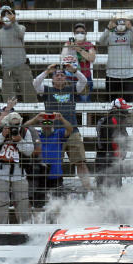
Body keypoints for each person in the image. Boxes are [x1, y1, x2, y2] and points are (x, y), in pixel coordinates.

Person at [32, 62, 94, 190]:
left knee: (80, 162)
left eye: (62, 75)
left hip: (72, 131)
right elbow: (35, 84)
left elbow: (84, 81)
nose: (59, 77)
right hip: (52, 133)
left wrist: (74, 70)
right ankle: (52, 193)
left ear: (65, 78)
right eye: (56, 75)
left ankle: (89, 191)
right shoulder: (47, 90)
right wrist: (47, 71)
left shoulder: (71, 89)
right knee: (53, 163)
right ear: (52, 79)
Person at [0, 111, 34, 224]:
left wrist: (20, 140)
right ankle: (2, 227)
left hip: (20, 172)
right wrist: (2, 135)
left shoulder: (25, 132)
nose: (14, 127)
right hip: (1, 172)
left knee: (23, 202)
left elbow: (30, 150)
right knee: (1, 202)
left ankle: (25, 227)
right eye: (12, 125)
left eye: (17, 125)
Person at [24, 111, 73, 207]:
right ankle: (39, 221)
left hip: (55, 175)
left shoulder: (58, 133)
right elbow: (22, 128)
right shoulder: (36, 134)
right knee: (37, 204)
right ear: (40, 124)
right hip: (39, 176)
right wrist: (36, 118)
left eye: (49, 123)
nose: (47, 125)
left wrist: (61, 118)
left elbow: (70, 129)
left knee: (57, 204)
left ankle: (56, 222)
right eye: (44, 123)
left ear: (53, 124)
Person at [0, 6, 37, 103]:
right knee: (9, 101)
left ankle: (34, 117)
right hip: (7, 70)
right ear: (0, 18)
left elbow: (20, 34)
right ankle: (10, 118)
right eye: (4, 15)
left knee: (30, 97)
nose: (7, 17)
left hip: (22, 67)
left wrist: (14, 21)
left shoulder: (20, 27)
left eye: (9, 14)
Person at [98, 14, 133, 103]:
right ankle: (111, 117)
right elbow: (101, 41)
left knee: (129, 103)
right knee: (111, 103)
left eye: (123, 23)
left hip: (128, 75)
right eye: (119, 23)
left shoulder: (130, 34)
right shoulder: (110, 33)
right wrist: (108, 28)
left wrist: (131, 28)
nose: (121, 25)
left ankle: (127, 117)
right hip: (112, 74)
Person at [95, 97, 132, 188]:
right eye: (123, 109)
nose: (125, 112)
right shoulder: (111, 122)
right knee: (107, 187)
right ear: (116, 109)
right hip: (107, 160)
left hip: (112, 160)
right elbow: (113, 143)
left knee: (113, 187)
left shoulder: (117, 121)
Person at [62, 23, 96, 101]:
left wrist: (79, 49)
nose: (79, 34)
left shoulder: (89, 45)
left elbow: (92, 58)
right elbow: (63, 58)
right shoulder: (68, 43)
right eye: (77, 32)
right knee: (69, 102)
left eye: (82, 32)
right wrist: (70, 49)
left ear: (85, 33)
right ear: (74, 33)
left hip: (85, 77)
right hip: (70, 78)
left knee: (85, 103)